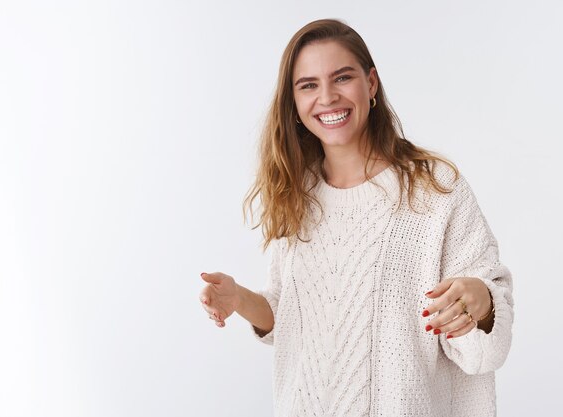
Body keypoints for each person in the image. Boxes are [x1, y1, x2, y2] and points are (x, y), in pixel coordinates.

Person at [198, 18, 513, 417]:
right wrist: (238, 298)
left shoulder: (434, 190)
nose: (327, 97)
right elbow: (292, 317)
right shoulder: (297, 194)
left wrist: (482, 301)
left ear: (371, 84)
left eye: (342, 77)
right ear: (293, 103)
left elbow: (488, 349)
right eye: (308, 85)